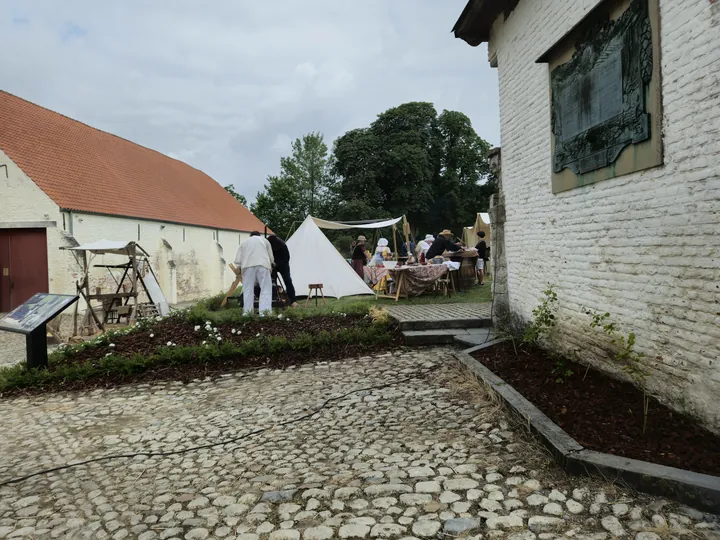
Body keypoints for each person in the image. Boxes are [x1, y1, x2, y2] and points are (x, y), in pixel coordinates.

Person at [235, 231, 274, 315]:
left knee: (248, 290)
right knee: (265, 289)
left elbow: (238, 258)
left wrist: (238, 267)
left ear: (250, 236)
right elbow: (270, 256)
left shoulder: (244, 242)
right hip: (263, 265)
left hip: (247, 266)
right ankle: (265, 313)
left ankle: (248, 313)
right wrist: (271, 264)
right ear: (259, 235)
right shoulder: (264, 241)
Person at [267, 234, 297, 307]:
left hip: (283, 265)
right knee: (272, 282)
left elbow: (286, 258)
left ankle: (292, 301)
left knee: (288, 280)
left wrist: (277, 264)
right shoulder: (267, 245)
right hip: (272, 265)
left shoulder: (282, 245)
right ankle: (274, 299)